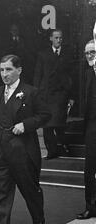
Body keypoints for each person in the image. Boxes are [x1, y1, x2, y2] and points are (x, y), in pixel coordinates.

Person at [0, 55, 51, 224]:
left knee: (29, 188)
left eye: (9, 69)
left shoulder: (31, 92)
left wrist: (26, 124)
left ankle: (38, 219)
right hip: (0, 150)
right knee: (0, 193)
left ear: (19, 70)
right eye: (2, 70)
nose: (4, 74)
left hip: (22, 150)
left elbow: (45, 115)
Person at [34, 29, 74, 159]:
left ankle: (63, 147)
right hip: (46, 94)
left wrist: (71, 96)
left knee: (59, 123)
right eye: (56, 38)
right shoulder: (43, 54)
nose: (58, 40)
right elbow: (38, 75)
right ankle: (52, 151)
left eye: (60, 38)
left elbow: (71, 75)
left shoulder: (67, 54)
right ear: (51, 38)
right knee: (47, 125)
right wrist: (36, 93)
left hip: (61, 94)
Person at [77, 40, 96, 220]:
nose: (89, 56)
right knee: (89, 168)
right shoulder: (88, 73)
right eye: (87, 53)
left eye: (93, 52)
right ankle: (90, 207)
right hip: (92, 126)